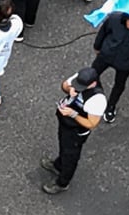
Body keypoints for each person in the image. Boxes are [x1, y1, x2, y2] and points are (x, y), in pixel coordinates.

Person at [42, 66, 108, 194]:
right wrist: (69, 89)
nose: (78, 88)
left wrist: (73, 114)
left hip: (76, 131)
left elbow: (91, 123)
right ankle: (58, 165)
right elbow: (64, 85)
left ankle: (63, 182)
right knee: (63, 144)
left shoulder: (98, 99)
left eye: (81, 87)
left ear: (93, 83)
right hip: (65, 123)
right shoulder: (80, 79)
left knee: (70, 156)